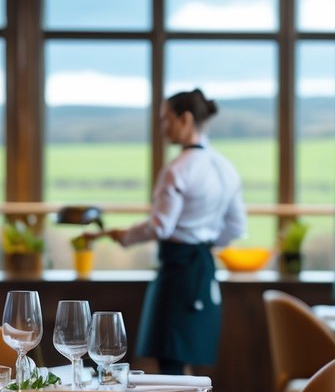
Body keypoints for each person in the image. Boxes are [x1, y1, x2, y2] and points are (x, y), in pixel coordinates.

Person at [104, 89, 246, 374]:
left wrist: (126, 236)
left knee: (169, 360)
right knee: (188, 354)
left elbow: (160, 225)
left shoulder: (177, 170)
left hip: (177, 270)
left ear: (186, 119)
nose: (162, 127)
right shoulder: (225, 167)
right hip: (204, 269)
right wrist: (203, 241)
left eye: (165, 119)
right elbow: (236, 227)